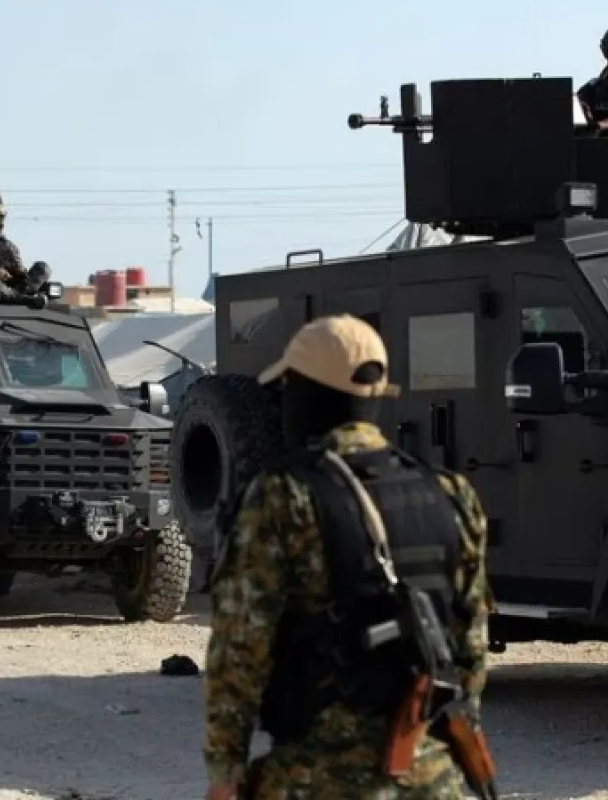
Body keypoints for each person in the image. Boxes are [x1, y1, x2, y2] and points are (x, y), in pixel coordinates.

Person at [203, 314, 495, 800]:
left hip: (316, 779)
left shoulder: (285, 496)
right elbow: (471, 644)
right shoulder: (451, 494)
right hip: (429, 776)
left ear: (303, 393)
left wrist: (224, 771)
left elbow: (240, 647)